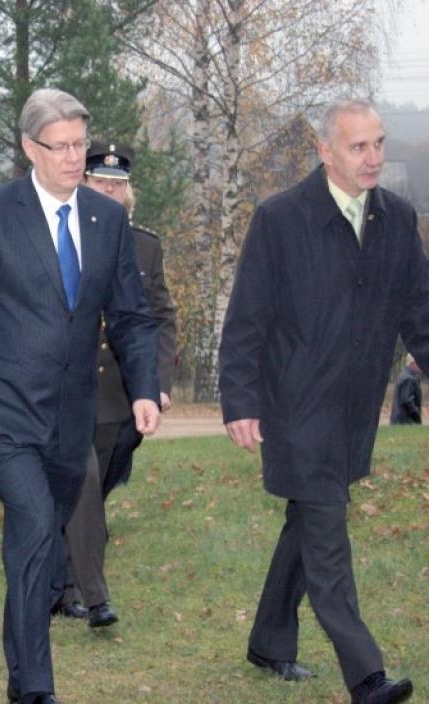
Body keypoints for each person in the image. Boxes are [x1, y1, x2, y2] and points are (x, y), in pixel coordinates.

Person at [0, 88, 161, 704]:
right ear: (29, 148)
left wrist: (145, 387)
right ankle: (37, 687)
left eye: (79, 145)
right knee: (35, 529)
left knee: (37, 547)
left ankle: (20, 675)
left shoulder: (106, 217)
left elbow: (132, 316)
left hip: (73, 422)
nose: (73, 157)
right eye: (60, 146)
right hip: (6, 413)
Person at [219, 99, 417, 704]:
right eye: (359, 147)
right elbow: (247, 318)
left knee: (306, 524)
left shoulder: (399, 219)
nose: (373, 157)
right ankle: (367, 676)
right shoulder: (280, 219)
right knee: (328, 536)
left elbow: (421, 310)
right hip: (295, 409)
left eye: (379, 144)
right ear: (326, 151)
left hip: (354, 412)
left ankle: (269, 642)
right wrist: (239, 400)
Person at [59, 142, 177, 626]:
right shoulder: (65, 233)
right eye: (101, 182)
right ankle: (87, 593)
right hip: (68, 388)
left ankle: (61, 582)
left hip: (119, 394)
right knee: (81, 485)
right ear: (84, 183)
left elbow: (161, 317)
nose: (110, 191)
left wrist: (158, 381)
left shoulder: (145, 244)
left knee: (94, 491)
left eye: (118, 185)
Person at [390, 355, 422, 425]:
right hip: (405, 422)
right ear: (412, 363)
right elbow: (406, 402)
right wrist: (416, 418)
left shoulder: (404, 375)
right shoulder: (408, 379)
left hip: (399, 421)